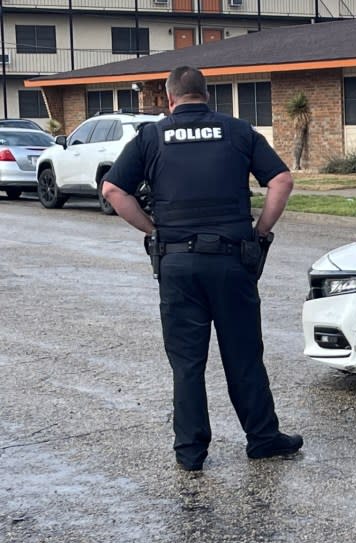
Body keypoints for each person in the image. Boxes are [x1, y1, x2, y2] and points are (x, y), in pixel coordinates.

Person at [102, 65, 301, 472]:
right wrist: (260, 232)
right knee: (244, 354)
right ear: (206, 96)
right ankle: (262, 438)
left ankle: (190, 452)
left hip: (177, 263)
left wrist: (152, 230)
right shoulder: (238, 130)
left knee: (187, 362)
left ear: (170, 99)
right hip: (231, 261)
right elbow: (281, 180)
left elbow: (113, 189)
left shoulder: (152, 136)